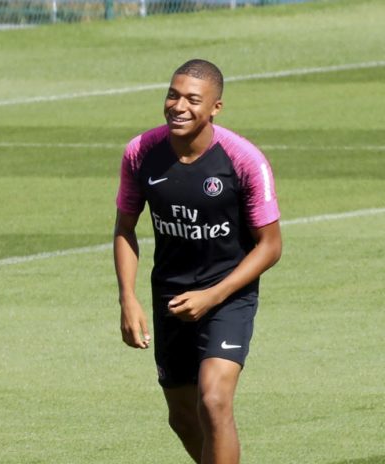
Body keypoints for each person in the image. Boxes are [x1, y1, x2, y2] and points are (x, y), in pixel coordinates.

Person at [113, 59, 282, 464]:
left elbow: (271, 246)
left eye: (192, 99)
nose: (178, 106)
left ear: (215, 108)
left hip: (228, 295)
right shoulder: (140, 152)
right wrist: (127, 299)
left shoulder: (243, 160)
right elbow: (125, 228)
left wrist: (212, 296)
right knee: (184, 418)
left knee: (214, 400)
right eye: (173, 95)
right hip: (171, 297)